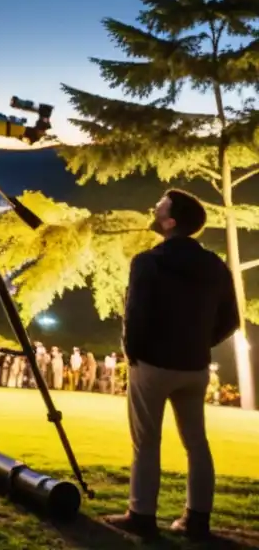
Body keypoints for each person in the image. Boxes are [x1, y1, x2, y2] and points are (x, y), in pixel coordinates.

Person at [105, 190, 240, 542]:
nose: (154, 207)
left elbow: (135, 316)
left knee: (146, 442)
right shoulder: (215, 265)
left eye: (160, 206)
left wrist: (132, 352)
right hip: (195, 367)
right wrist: (197, 343)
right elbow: (231, 320)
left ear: (171, 221)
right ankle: (197, 519)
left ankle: (141, 515)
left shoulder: (148, 262)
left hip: (152, 364)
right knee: (197, 443)